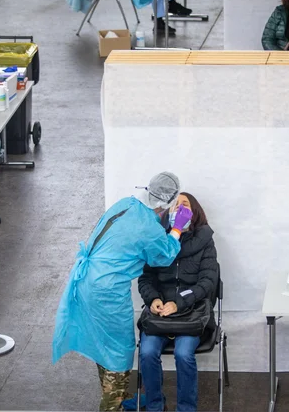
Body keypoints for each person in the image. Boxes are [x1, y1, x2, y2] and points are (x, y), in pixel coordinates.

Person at [52, 172, 194, 412]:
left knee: (103, 347)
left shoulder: (125, 204)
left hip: (87, 281)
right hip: (106, 291)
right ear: (167, 204)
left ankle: (113, 396)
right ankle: (112, 403)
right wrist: (177, 228)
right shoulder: (148, 226)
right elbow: (165, 255)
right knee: (118, 355)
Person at [138, 192, 219, 412]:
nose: (179, 209)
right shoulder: (158, 240)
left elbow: (208, 282)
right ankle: (155, 406)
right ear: (167, 213)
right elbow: (146, 278)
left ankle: (186, 409)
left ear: (194, 213)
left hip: (190, 314)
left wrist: (180, 303)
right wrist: (153, 298)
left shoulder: (205, 241)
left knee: (183, 355)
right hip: (160, 314)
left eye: (185, 205)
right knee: (146, 353)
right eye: (175, 206)